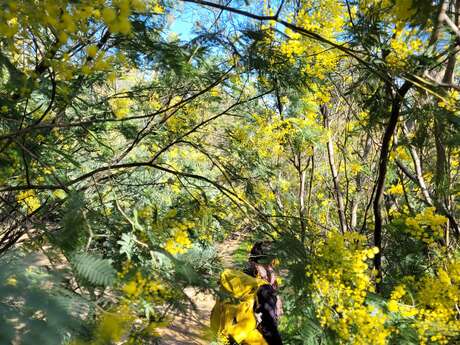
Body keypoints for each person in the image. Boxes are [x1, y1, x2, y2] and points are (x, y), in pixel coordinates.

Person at [210, 241, 283, 345]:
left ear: (250, 261)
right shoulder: (263, 288)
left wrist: (214, 339)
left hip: (225, 339)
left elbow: (216, 312)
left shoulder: (234, 279)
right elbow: (269, 328)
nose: (272, 266)